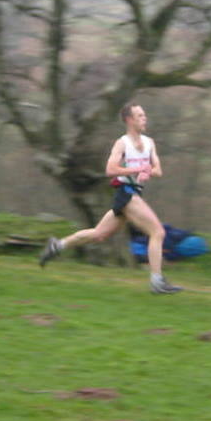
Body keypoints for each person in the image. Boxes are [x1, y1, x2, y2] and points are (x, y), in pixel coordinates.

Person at [39, 102, 182, 294]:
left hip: (135, 193)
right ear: (129, 120)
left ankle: (57, 245)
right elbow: (110, 169)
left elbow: (158, 170)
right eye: (140, 116)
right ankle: (157, 281)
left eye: (144, 115)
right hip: (126, 192)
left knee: (99, 234)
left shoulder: (149, 143)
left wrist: (149, 171)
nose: (144, 118)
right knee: (158, 232)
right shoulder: (122, 143)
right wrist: (138, 169)